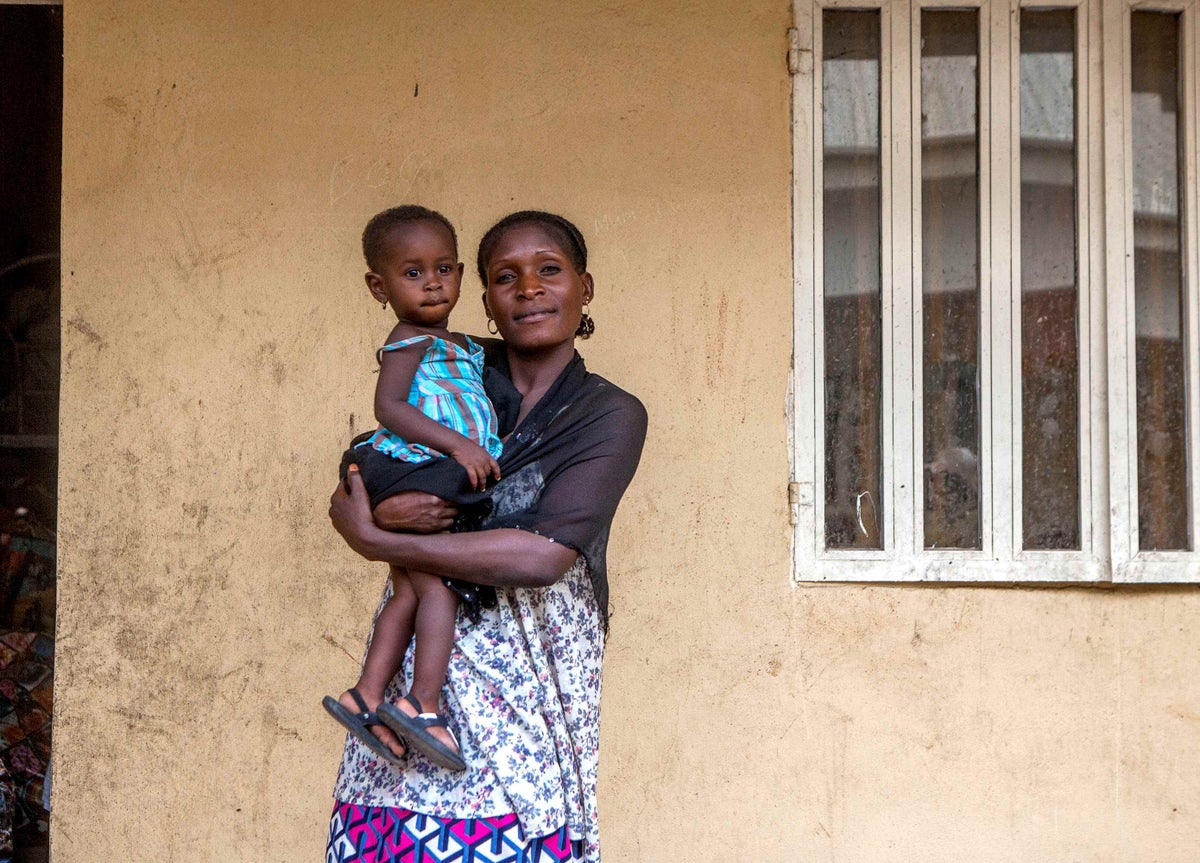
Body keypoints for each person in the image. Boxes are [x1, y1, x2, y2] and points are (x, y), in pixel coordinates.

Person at [326, 211, 647, 863]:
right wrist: (372, 502)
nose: (529, 288)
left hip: (535, 682)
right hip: (424, 678)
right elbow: (368, 454)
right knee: (390, 838)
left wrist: (379, 537)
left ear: (584, 287)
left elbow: (540, 555)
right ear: (487, 300)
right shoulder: (455, 371)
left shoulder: (607, 413)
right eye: (507, 276)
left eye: (549, 270)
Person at [324, 205, 504, 772]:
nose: (433, 282)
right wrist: (460, 445)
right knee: (439, 588)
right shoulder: (409, 341)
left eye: (445, 268)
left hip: (425, 466)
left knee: (407, 590)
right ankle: (423, 703)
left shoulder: (452, 342)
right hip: (418, 467)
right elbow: (389, 407)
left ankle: (367, 694)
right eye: (413, 272)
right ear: (379, 286)